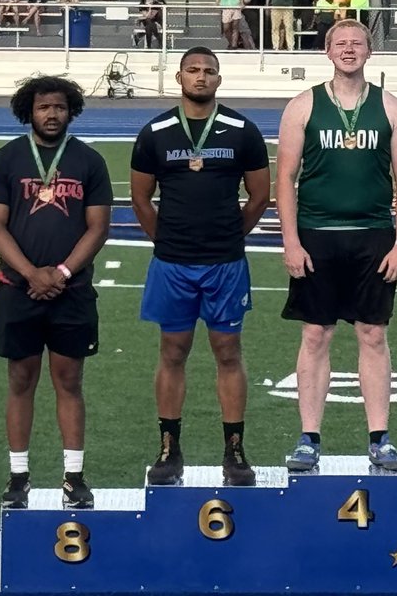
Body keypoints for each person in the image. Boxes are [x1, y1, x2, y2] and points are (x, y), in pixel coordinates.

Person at [276, 19, 397, 473]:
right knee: (315, 334)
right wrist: (291, 241)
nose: (349, 49)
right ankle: (308, 438)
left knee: (373, 334)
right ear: (327, 51)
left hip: (373, 234)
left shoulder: (392, 107)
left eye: (357, 43)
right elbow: (285, 179)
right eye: (341, 43)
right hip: (316, 235)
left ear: (369, 52)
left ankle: (379, 438)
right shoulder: (302, 106)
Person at [130, 47, 270, 487]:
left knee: (228, 352)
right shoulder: (154, 132)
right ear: (178, 77)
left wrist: (229, 235)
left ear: (219, 79)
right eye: (193, 70)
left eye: (209, 71)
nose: (201, 77)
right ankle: (169, 450)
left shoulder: (242, 130)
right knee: (172, 351)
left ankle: (234, 451)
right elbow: (140, 199)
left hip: (225, 262)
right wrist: (169, 240)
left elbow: (259, 197)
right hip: (173, 264)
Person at [0, 76, 111, 509]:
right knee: (20, 379)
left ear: (70, 110)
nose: (51, 114)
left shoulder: (89, 161)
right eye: (43, 108)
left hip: (71, 291)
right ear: (29, 112)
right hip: (17, 290)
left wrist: (59, 272)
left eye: (59, 107)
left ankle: (73, 477)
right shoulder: (6, 158)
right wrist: (30, 275)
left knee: (69, 381)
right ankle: (18, 477)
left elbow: (98, 227)